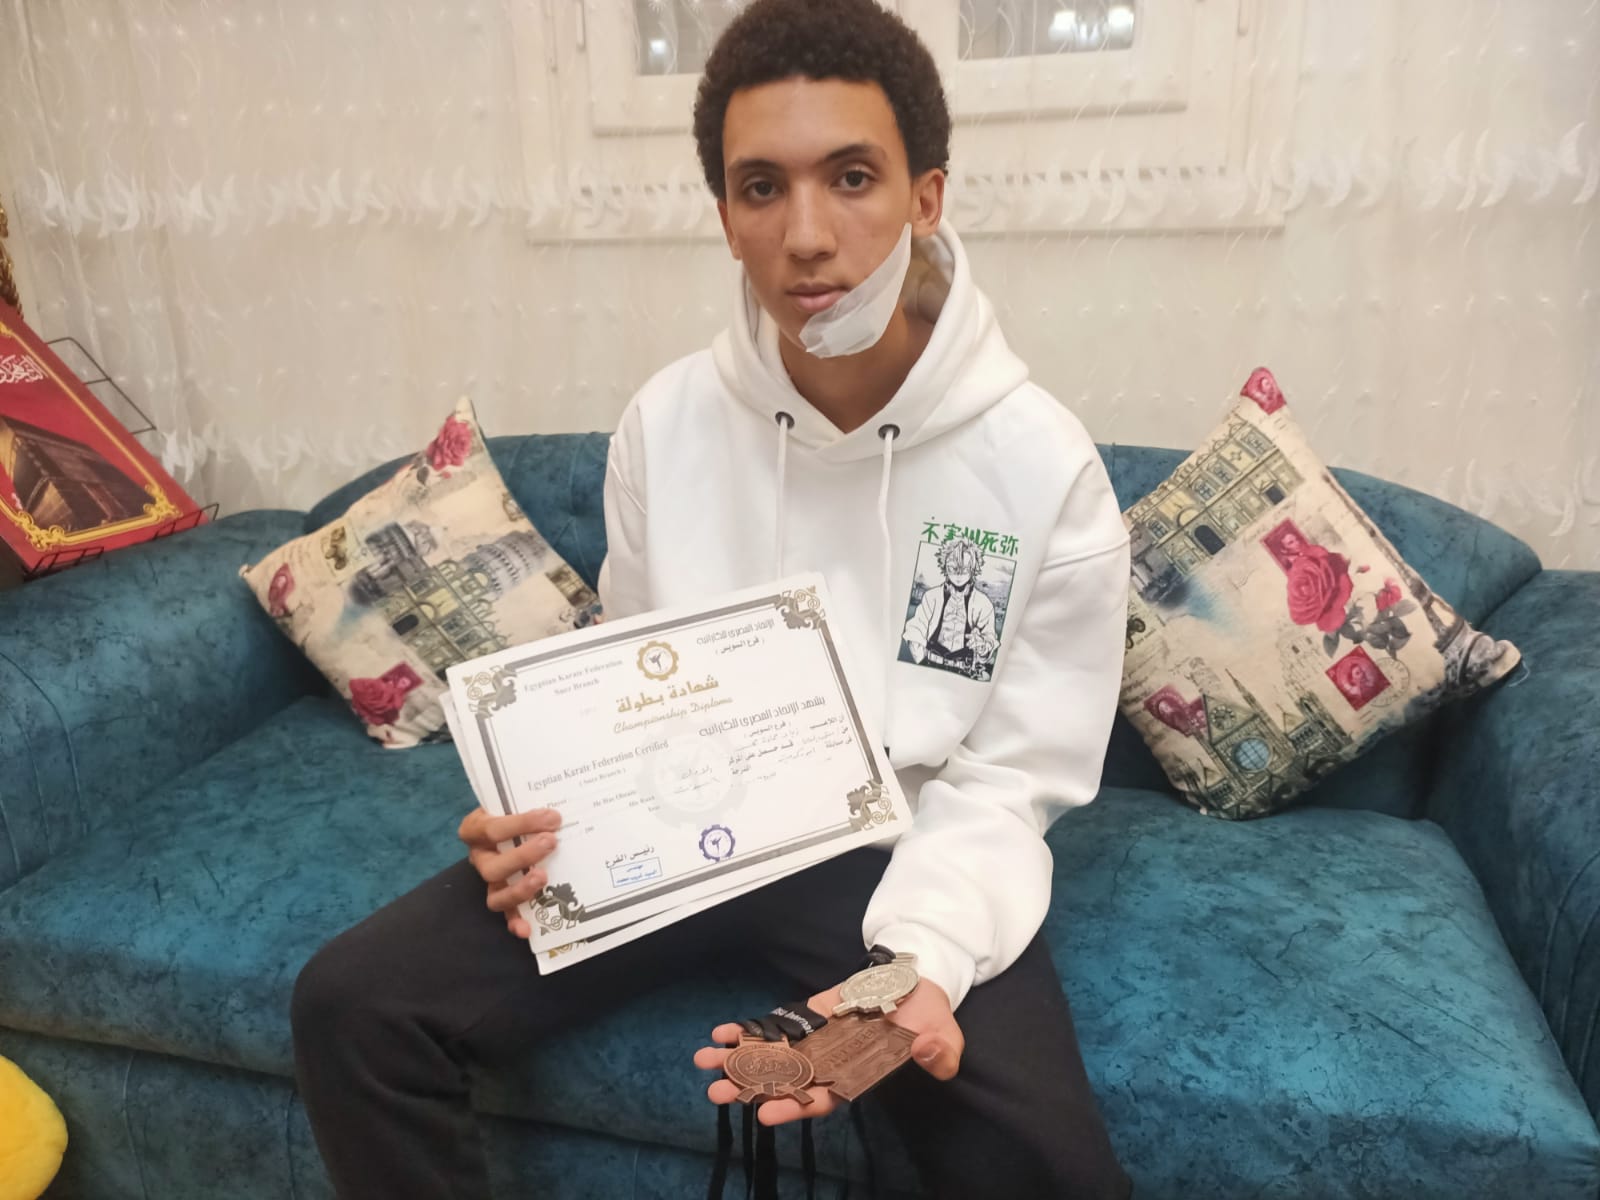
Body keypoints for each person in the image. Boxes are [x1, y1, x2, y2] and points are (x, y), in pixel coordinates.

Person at [291, 0, 1135, 1196]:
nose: (807, 236)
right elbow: (628, 677)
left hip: (894, 850)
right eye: (760, 188)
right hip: (671, 835)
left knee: (1050, 1169)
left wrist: (919, 962)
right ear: (725, 218)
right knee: (352, 1006)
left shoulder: (1042, 466)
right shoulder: (666, 423)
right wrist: (536, 819)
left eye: (852, 177)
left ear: (926, 197)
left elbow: (1011, 780)